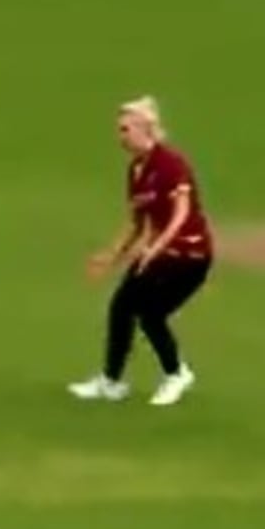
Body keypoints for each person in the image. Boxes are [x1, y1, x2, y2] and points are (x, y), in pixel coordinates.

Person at [69, 96, 214, 407]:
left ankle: (176, 375)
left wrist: (155, 248)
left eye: (125, 129)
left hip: (190, 257)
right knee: (122, 305)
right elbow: (137, 223)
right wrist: (110, 256)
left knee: (149, 313)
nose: (120, 136)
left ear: (144, 129)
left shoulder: (171, 164)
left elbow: (181, 214)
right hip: (161, 254)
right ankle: (111, 381)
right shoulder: (136, 170)